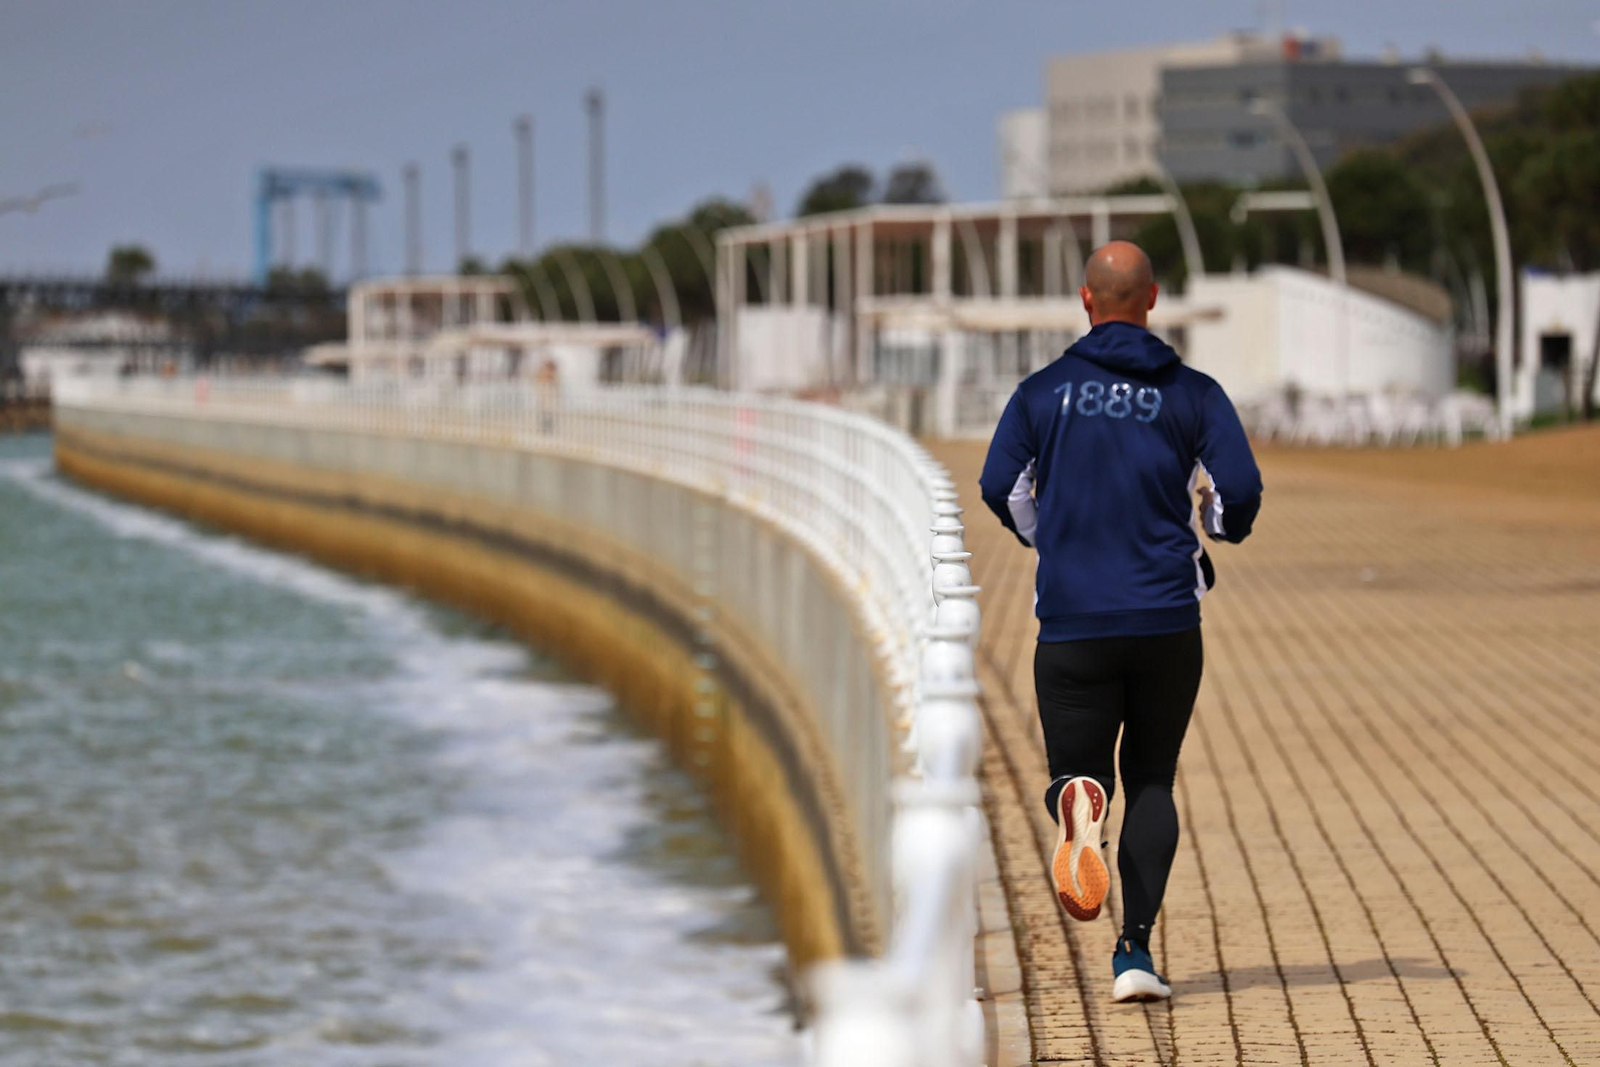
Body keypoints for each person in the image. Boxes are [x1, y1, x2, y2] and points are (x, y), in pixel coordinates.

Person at [978, 241, 1261, 1003]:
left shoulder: (1043, 392)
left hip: (1072, 621)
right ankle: (1135, 953)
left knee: (1082, 769)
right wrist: (1214, 519)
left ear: (1085, 300)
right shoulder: (1194, 392)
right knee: (1153, 778)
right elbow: (1239, 493)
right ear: (1153, 299)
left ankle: (1077, 800)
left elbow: (999, 484)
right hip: (1167, 616)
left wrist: (1049, 537)